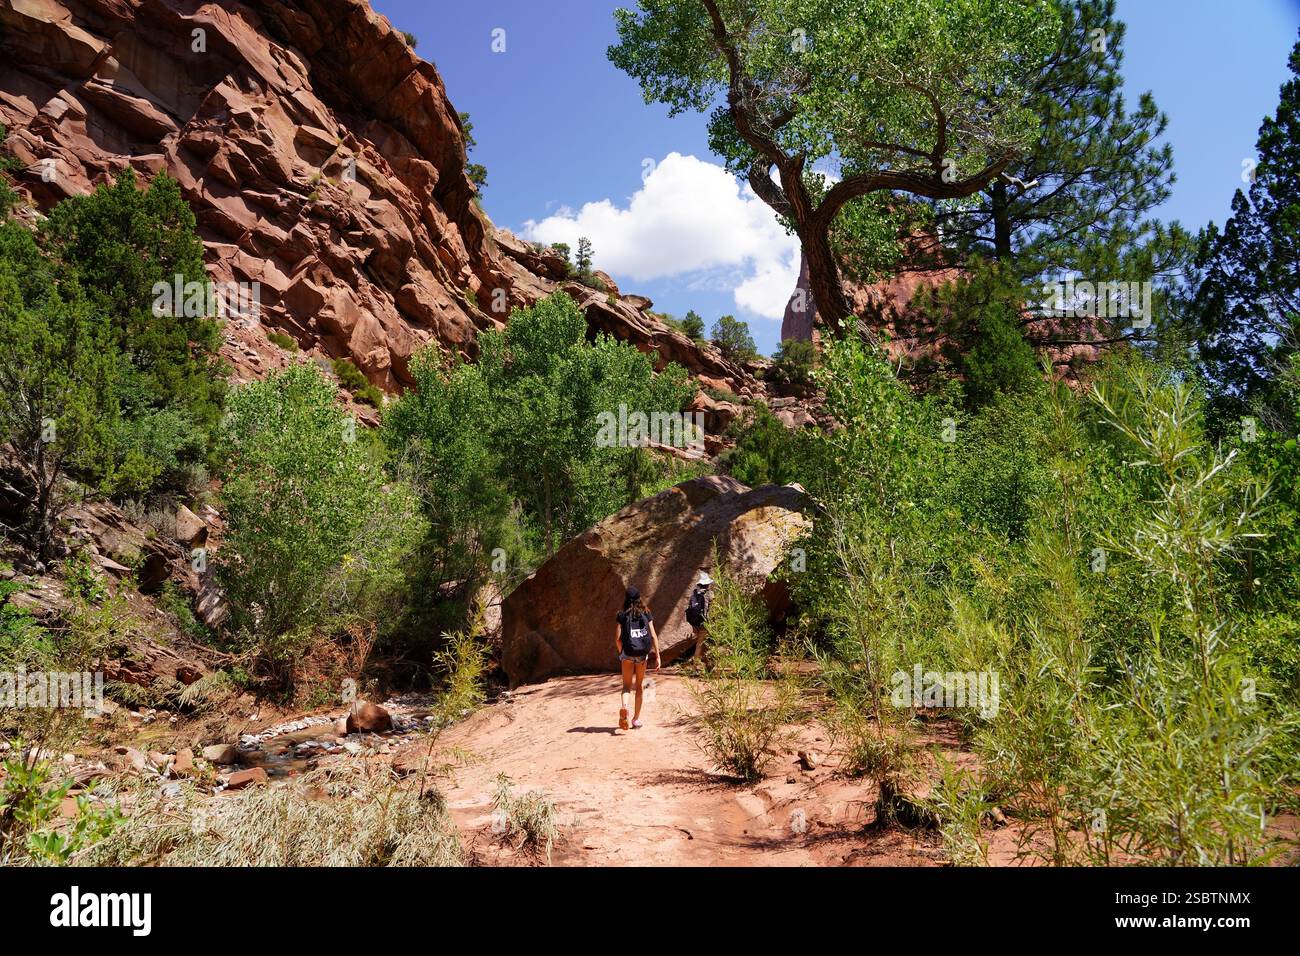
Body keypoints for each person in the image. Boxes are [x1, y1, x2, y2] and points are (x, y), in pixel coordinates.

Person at [615, 586, 660, 731]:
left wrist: (622, 653)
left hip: (627, 654)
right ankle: (636, 719)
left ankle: (624, 708)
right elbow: (653, 636)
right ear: (640, 598)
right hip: (642, 656)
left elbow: (617, 639)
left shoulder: (622, 615)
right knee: (639, 686)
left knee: (626, 686)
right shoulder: (646, 613)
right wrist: (658, 656)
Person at [685, 571, 713, 667]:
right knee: (700, 644)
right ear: (707, 584)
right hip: (704, 622)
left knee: (703, 642)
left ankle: (708, 663)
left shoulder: (695, 593)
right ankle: (695, 665)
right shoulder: (709, 594)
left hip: (695, 622)